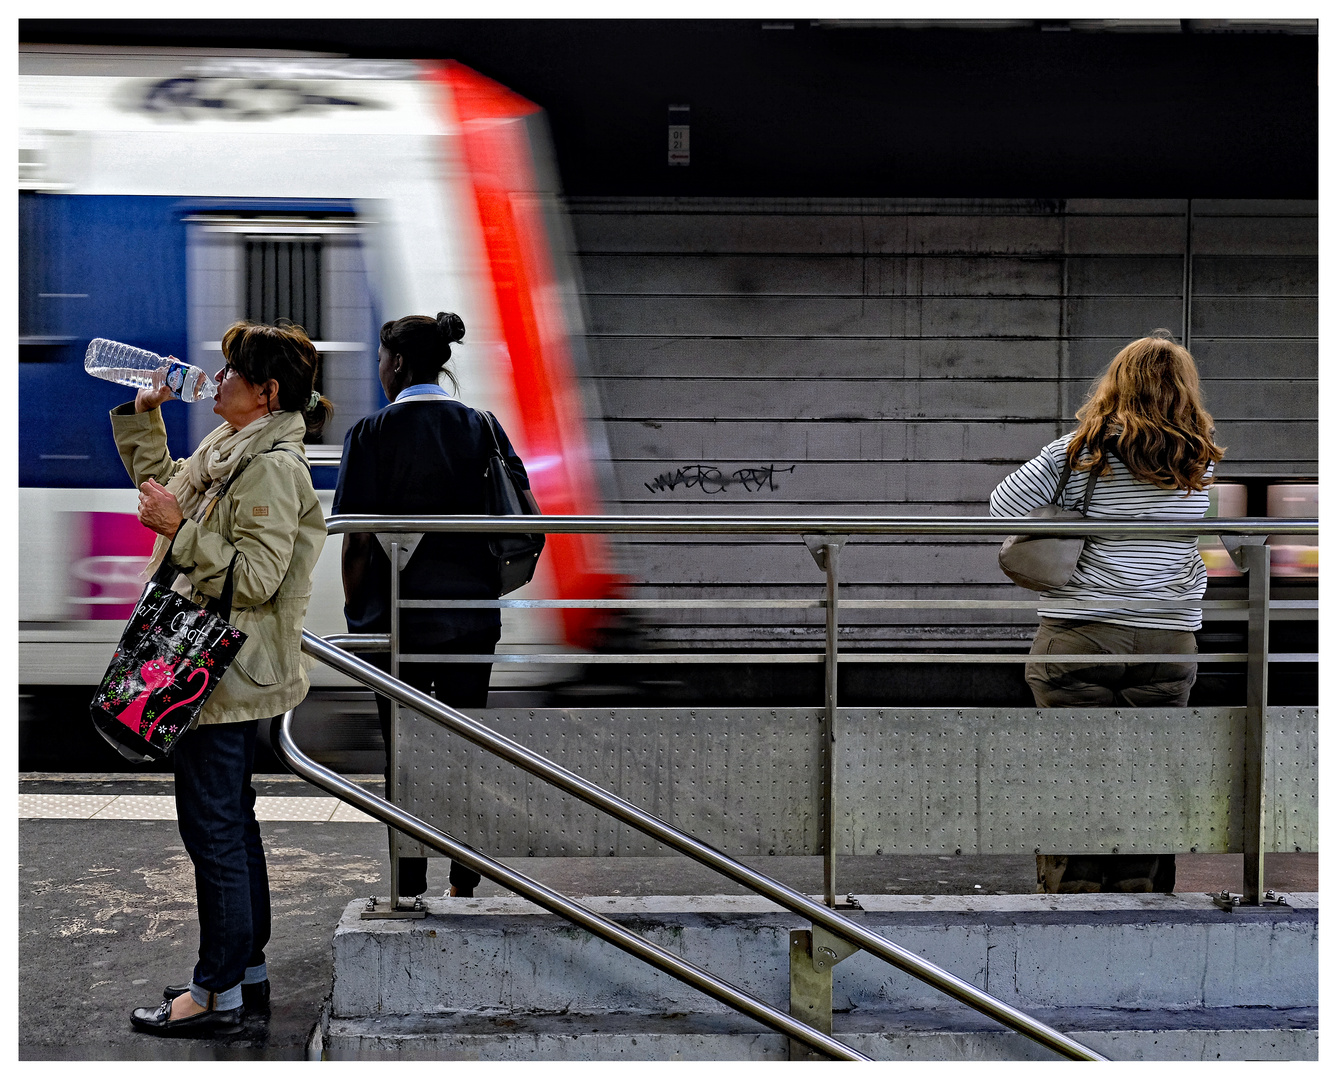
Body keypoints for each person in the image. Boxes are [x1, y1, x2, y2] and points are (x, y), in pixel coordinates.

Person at [114, 322, 330, 1036]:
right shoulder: (231, 448)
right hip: (212, 663)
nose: (217, 379)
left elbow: (258, 578)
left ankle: (215, 994)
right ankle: (246, 973)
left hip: (220, 671)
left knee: (214, 831)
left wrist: (179, 530)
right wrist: (146, 421)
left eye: (233, 372)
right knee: (230, 827)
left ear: (265, 393)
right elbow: (169, 494)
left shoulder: (271, 466)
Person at [989, 330, 1224, 893]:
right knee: (1149, 769)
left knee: (1074, 768)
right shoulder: (1199, 458)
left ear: (1117, 385)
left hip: (1082, 632)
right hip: (1168, 637)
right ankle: (1140, 890)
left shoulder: (1080, 449)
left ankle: (1076, 894)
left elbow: (1005, 507)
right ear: (1183, 390)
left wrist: (1072, 500)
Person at [333, 311, 533, 901]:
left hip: (399, 620)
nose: (378, 369)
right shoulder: (482, 427)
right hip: (471, 614)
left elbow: (356, 534)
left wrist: (357, 614)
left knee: (406, 751)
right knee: (466, 741)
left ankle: (408, 878)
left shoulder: (371, 433)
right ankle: (464, 879)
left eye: (379, 359)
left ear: (396, 363)